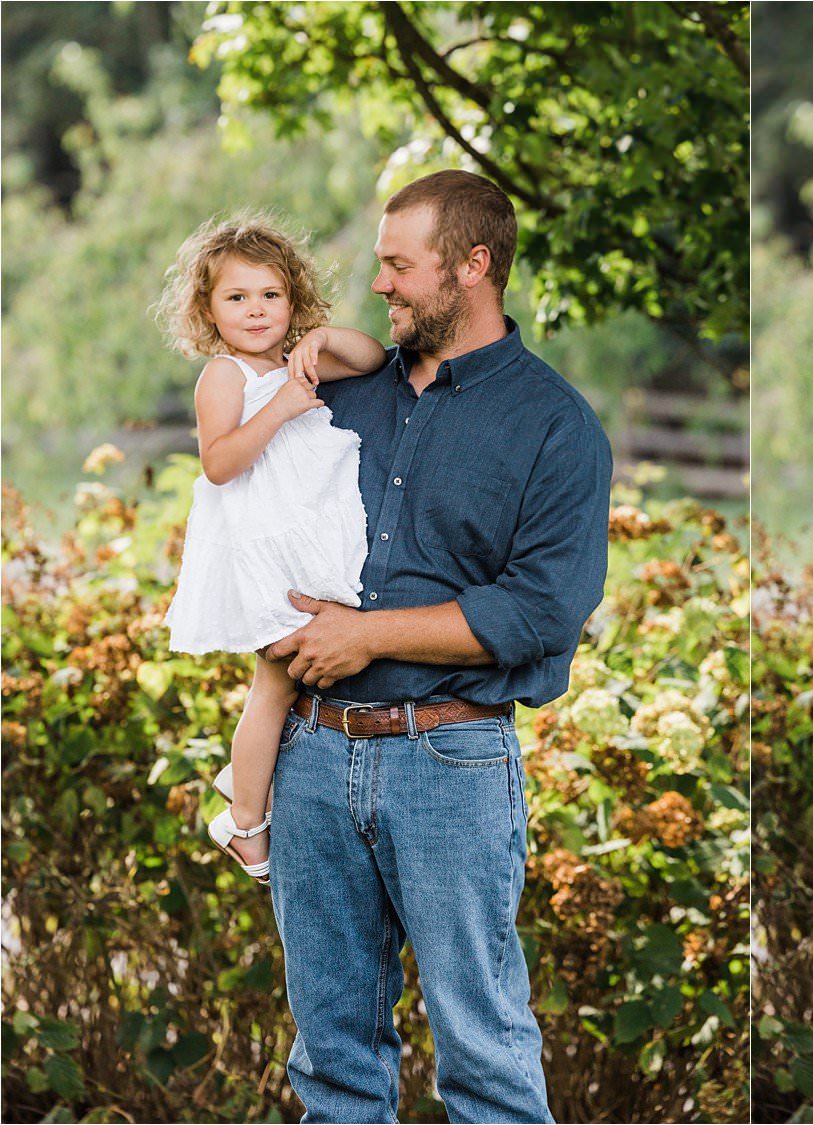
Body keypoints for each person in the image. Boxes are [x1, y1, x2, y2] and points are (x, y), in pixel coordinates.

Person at [259, 170, 611, 1124]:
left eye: (399, 267)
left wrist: (364, 635)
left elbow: (541, 610)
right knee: (331, 1057)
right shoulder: (346, 394)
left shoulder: (555, 427)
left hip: (449, 761)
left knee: (484, 1053)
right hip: (312, 753)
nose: (381, 285)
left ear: (472, 266)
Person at [156, 216, 387, 884]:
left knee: (302, 676)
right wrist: (283, 407)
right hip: (266, 549)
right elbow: (220, 463)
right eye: (236, 297)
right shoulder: (224, 376)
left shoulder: (296, 362)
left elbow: (371, 357)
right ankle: (245, 821)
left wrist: (320, 340)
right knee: (276, 680)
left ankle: (242, 778)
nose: (255, 309)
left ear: (293, 301)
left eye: (270, 295)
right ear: (207, 310)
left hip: (309, 540)